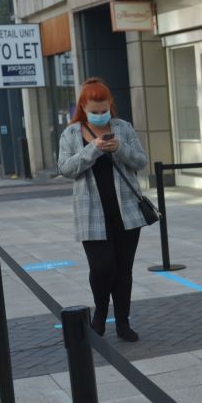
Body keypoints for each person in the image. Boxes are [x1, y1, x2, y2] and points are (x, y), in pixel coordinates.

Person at [57, 78, 149, 342]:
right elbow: (65, 169)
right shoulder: (71, 134)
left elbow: (141, 161)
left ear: (110, 104)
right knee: (102, 267)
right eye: (94, 111)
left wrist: (119, 148)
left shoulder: (123, 128)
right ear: (83, 107)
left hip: (126, 213)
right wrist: (92, 150)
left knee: (123, 270)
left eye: (103, 109)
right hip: (91, 215)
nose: (100, 115)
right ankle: (100, 314)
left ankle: (122, 321)